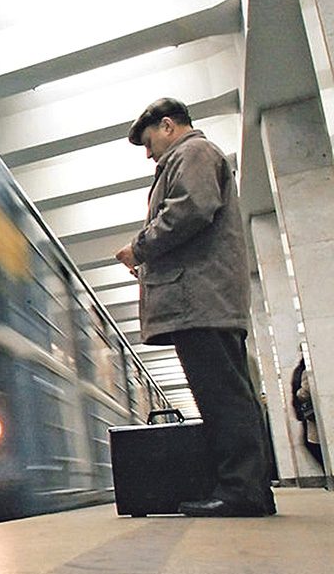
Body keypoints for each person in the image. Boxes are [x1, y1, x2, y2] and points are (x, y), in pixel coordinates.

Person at [116, 98, 275, 516]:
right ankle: (250, 489)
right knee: (229, 396)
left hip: (201, 301)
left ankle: (241, 492)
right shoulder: (193, 156)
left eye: (149, 143)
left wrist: (140, 249)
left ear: (168, 126)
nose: (148, 154)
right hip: (204, 299)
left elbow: (190, 209)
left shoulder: (193, 153)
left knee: (222, 398)